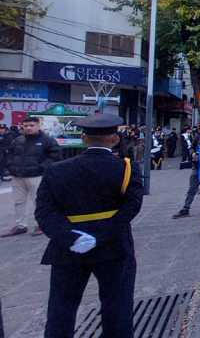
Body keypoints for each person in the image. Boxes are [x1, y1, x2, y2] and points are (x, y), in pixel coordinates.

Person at [34, 113, 144, 337]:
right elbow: (131, 207)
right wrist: (101, 235)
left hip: (67, 249)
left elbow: (44, 212)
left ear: (84, 138)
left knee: (61, 308)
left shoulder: (56, 170)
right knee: (118, 305)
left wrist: (70, 237)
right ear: (115, 139)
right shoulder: (125, 168)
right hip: (113, 246)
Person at [2, 116, 61, 237]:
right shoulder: (17, 140)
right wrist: (11, 167)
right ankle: (21, 226)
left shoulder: (48, 140)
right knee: (19, 202)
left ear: (38, 126)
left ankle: (40, 225)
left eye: (31, 125)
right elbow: (9, 155)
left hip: (37, 176)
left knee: (38, 201)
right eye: (26, 126)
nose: (28, 128)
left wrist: (41, 168)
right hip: (17, 176)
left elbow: (55, 156)